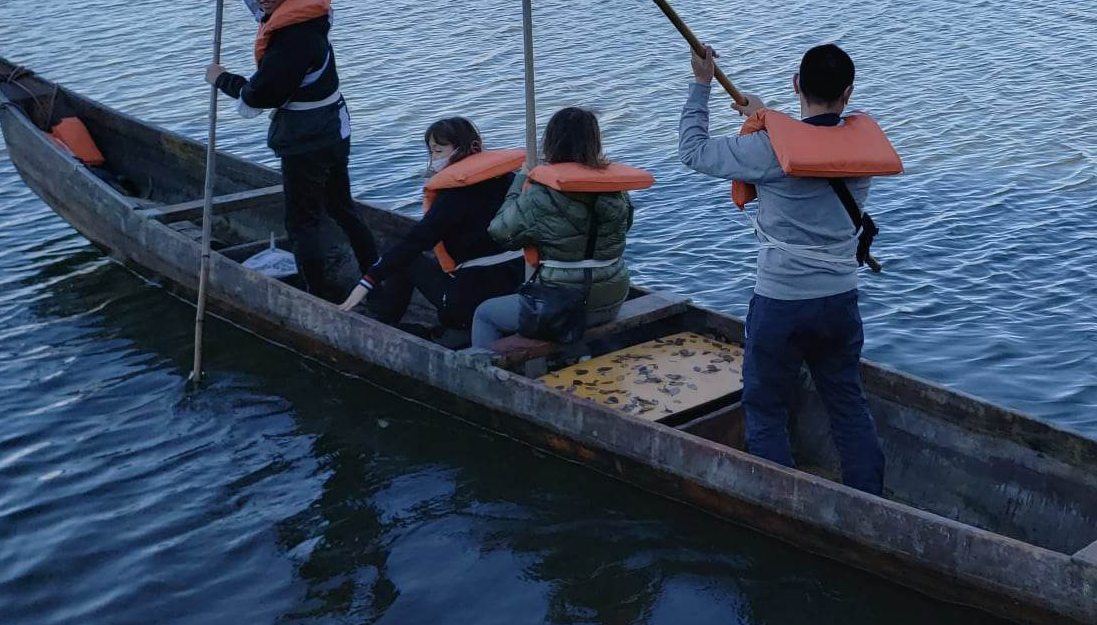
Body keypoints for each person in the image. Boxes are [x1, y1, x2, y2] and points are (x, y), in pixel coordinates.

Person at [678, 42, 901, 496]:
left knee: (764, 407)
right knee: (846, 404)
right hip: (839, 302)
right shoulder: (860, 149)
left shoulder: (766, 150)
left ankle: (777, 501)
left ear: (796, 84)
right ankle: (871, 504)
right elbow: (812, 136)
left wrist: (702, 85)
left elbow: (693, 151)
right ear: (849, 92)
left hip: (780, 303)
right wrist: (767, 117)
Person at [205, 0, 376, 300]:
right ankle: (377, 273)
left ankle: (320, 297)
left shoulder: (294, 41)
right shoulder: (302, 14)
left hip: (308, 140)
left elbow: (260, 94)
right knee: (339, 206)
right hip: (334, 127)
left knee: (302, 222)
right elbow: (263, 14)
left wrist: (221, 78)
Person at [336, 117, 523, 349]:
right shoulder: (510, 180)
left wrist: (368, 280)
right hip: (518, 285)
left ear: (463, 149)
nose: (434, 158)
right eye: (431, 151)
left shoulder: (453, 198)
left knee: (403, 255)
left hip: (470, 302)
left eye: (438, 150)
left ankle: (384, 323)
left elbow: (415, 242)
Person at [473, 107, 639, 349]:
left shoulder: (541, 193)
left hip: (563, 305)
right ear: (595, 141)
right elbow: (627, 226)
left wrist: (521, 180)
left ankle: (481, 377)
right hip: (612, 298)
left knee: (485, 314)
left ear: (551, 142)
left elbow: (500, 231)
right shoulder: (616, 189)